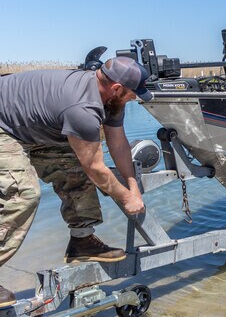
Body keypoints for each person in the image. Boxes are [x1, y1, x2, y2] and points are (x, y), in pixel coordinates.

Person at [0, 56, 151, 306]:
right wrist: (126, 199)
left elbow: (118, 144)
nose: (134, 98)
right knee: (22, 194)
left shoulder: (111, 100)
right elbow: (95, 167)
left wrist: (132, 185)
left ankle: (82, 241)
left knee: (74, 167)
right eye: (133, 94)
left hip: (30, 127)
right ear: (116, 88)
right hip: (5, 127)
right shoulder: (83, 108)